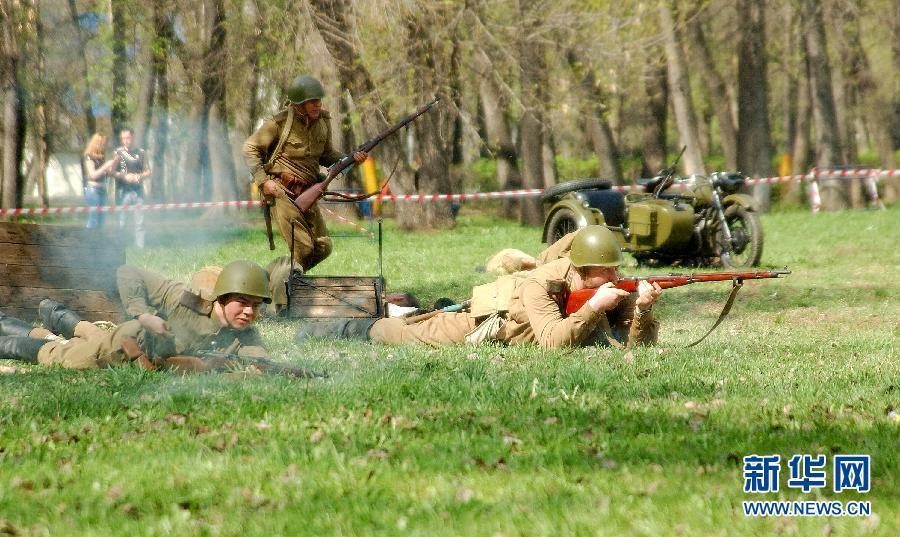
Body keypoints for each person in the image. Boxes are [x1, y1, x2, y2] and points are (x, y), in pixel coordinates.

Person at [296, 226, 663, 349]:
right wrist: (595, 307)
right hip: (486, 323)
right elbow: (552, 341)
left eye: (616, 268)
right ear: (583, 269)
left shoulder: (611, 287)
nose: (615, 276)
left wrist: (643, 309)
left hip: (519, 324)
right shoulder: (542, 282)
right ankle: (333, 326)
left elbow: (638, 346)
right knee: (395, 332)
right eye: (606, 270)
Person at [0, 260, 271, 369]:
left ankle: (61, 318)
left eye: (256, 305)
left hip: (144, 353)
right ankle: (7, 339)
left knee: (91, 336)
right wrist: (142, 315)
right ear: (221, 298)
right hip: (127, 346)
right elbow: (128, 272)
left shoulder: (245, 334)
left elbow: (260, 361)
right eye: (242, 302)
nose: (249, 312)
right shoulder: (185, 300)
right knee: (61, 355)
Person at [243, 75, 368, 272]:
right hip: (280, 191)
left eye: (318, 100)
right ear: (298, 104)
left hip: (308, 191)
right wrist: (263, 181)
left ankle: (283, 278)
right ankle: (286, 285)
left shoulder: (323, 122)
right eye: (311, 101)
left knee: (323, 246)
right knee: (303, 246)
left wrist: (351, 159)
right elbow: (250, 148)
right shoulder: (279, 123)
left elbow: (327, 156)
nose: (317, 105)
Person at [113, 127, 151, 248]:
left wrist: (138, 177)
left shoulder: (141, 152)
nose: (126, 140)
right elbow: (112, 171)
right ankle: (120, 246)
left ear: (133, 137)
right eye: (123, 138)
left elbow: (148, 171)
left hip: (138, 191)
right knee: (121, 221)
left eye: (128, 138)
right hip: (122, 191)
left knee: (139, 221)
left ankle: (140, 248)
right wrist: (124, 177)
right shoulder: (118, 153)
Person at [82, 133, 119, 229]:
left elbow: (109, 174)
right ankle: (91, 240)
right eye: (103, 143)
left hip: (102, 190)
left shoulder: (101, 157)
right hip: (93, 191)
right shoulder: (88, 156)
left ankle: (99, 241)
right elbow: (93, 175)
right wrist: (106, 165)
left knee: (102, 220)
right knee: (93, 219)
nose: (105, 146)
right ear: (97, 143)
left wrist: (114, 163)